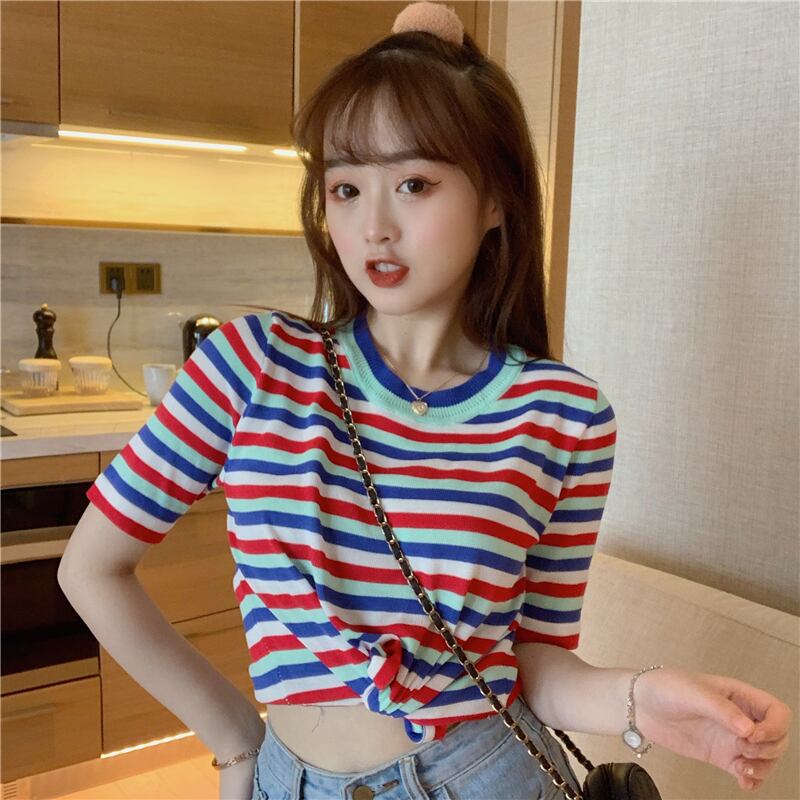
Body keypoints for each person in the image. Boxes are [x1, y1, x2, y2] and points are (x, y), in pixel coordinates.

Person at [58, 3, 792, 800]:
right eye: (345, 188)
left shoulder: (564, 416)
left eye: (414, 184)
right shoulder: (251, 365)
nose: (374, 226)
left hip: (482, 775)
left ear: (495, 200)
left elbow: (535, 663)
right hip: (287, 780)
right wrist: (236, 741)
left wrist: (637, 698)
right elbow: (91, 568)